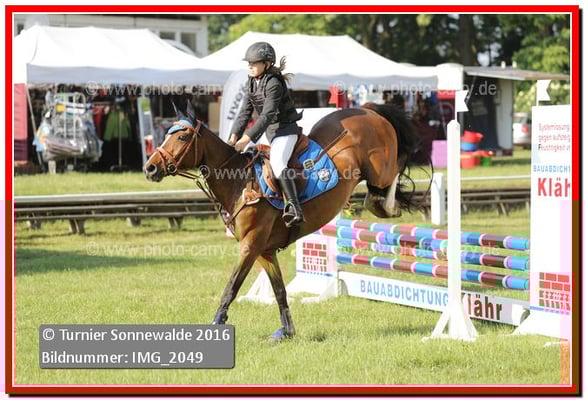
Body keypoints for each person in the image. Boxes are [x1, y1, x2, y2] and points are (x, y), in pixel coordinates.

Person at [228, 42, 304, 227]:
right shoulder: (251, 82)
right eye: (249, 63)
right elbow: (245, 112)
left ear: (267, 64)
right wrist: (233, 137)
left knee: (278, 163)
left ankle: (294, 207)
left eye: (254, 63)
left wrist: (246, 138)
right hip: (269, 132)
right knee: (250, 159)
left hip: (285, 130)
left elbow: (267, 115)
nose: (250, 66)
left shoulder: (274, 83)